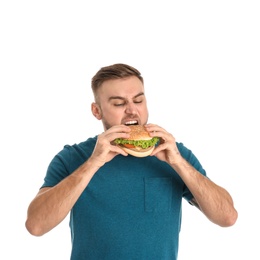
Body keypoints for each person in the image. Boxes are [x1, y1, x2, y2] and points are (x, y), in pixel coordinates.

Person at [25, 63, 238, 260]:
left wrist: (179, 164)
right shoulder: (72, 157)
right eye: (119, 103)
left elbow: (227, 217)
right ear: (96, 111)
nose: (131, 110)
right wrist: (92, 164)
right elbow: (36, 226)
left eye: (138, 100)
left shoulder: (174, 152)